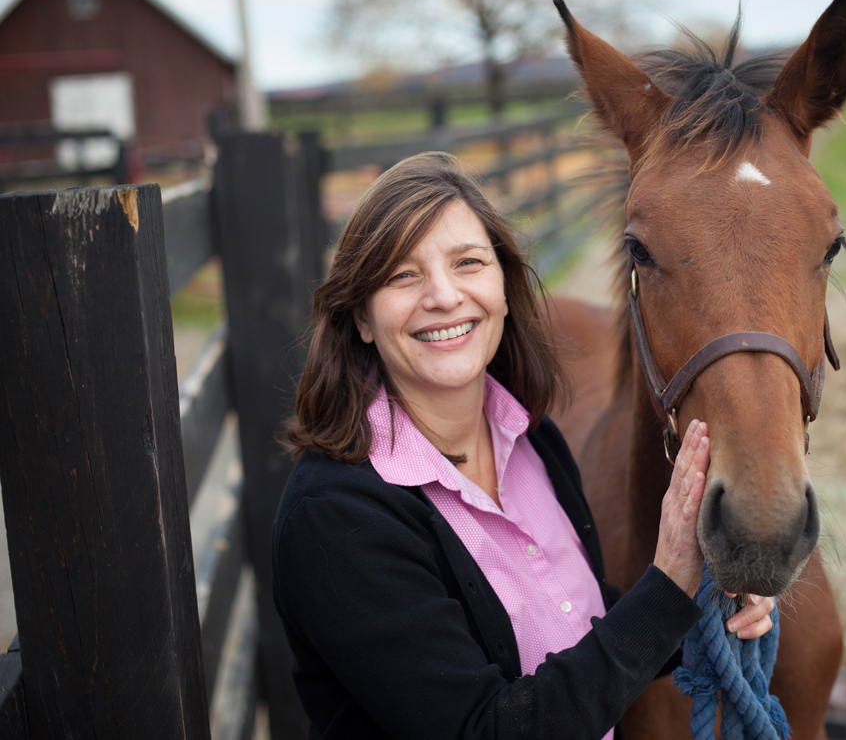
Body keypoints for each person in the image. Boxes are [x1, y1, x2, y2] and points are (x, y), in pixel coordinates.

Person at [272, 152, 775, 739]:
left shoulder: (531, 439)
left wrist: (704, 614)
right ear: (361, 315)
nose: (443, 296)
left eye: (468, 263)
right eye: (402, 275)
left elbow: (575, 625)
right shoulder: (336, 518)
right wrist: (666, 588)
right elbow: (485, 729)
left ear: (505, 290)